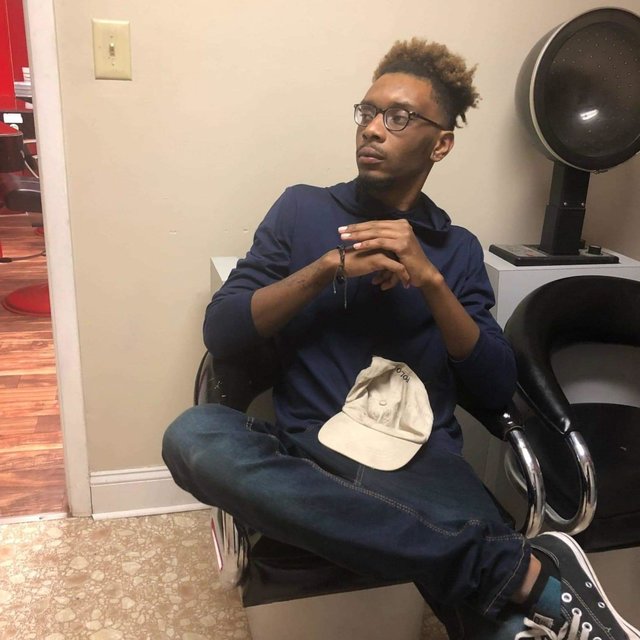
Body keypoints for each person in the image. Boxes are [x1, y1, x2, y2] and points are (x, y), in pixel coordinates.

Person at [162, 38, 639, 640]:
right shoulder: (301, 209)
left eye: (398, 117)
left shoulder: (456, 249)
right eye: (367, 112)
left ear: (440, 144)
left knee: (492, 616)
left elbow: (496, 388)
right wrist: (326, 268)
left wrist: (432, 281)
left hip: (420, 462)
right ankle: (520, 571)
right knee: (192, 436)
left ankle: (507, 579)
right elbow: (223, 331)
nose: (372, 128)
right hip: (309, 453)